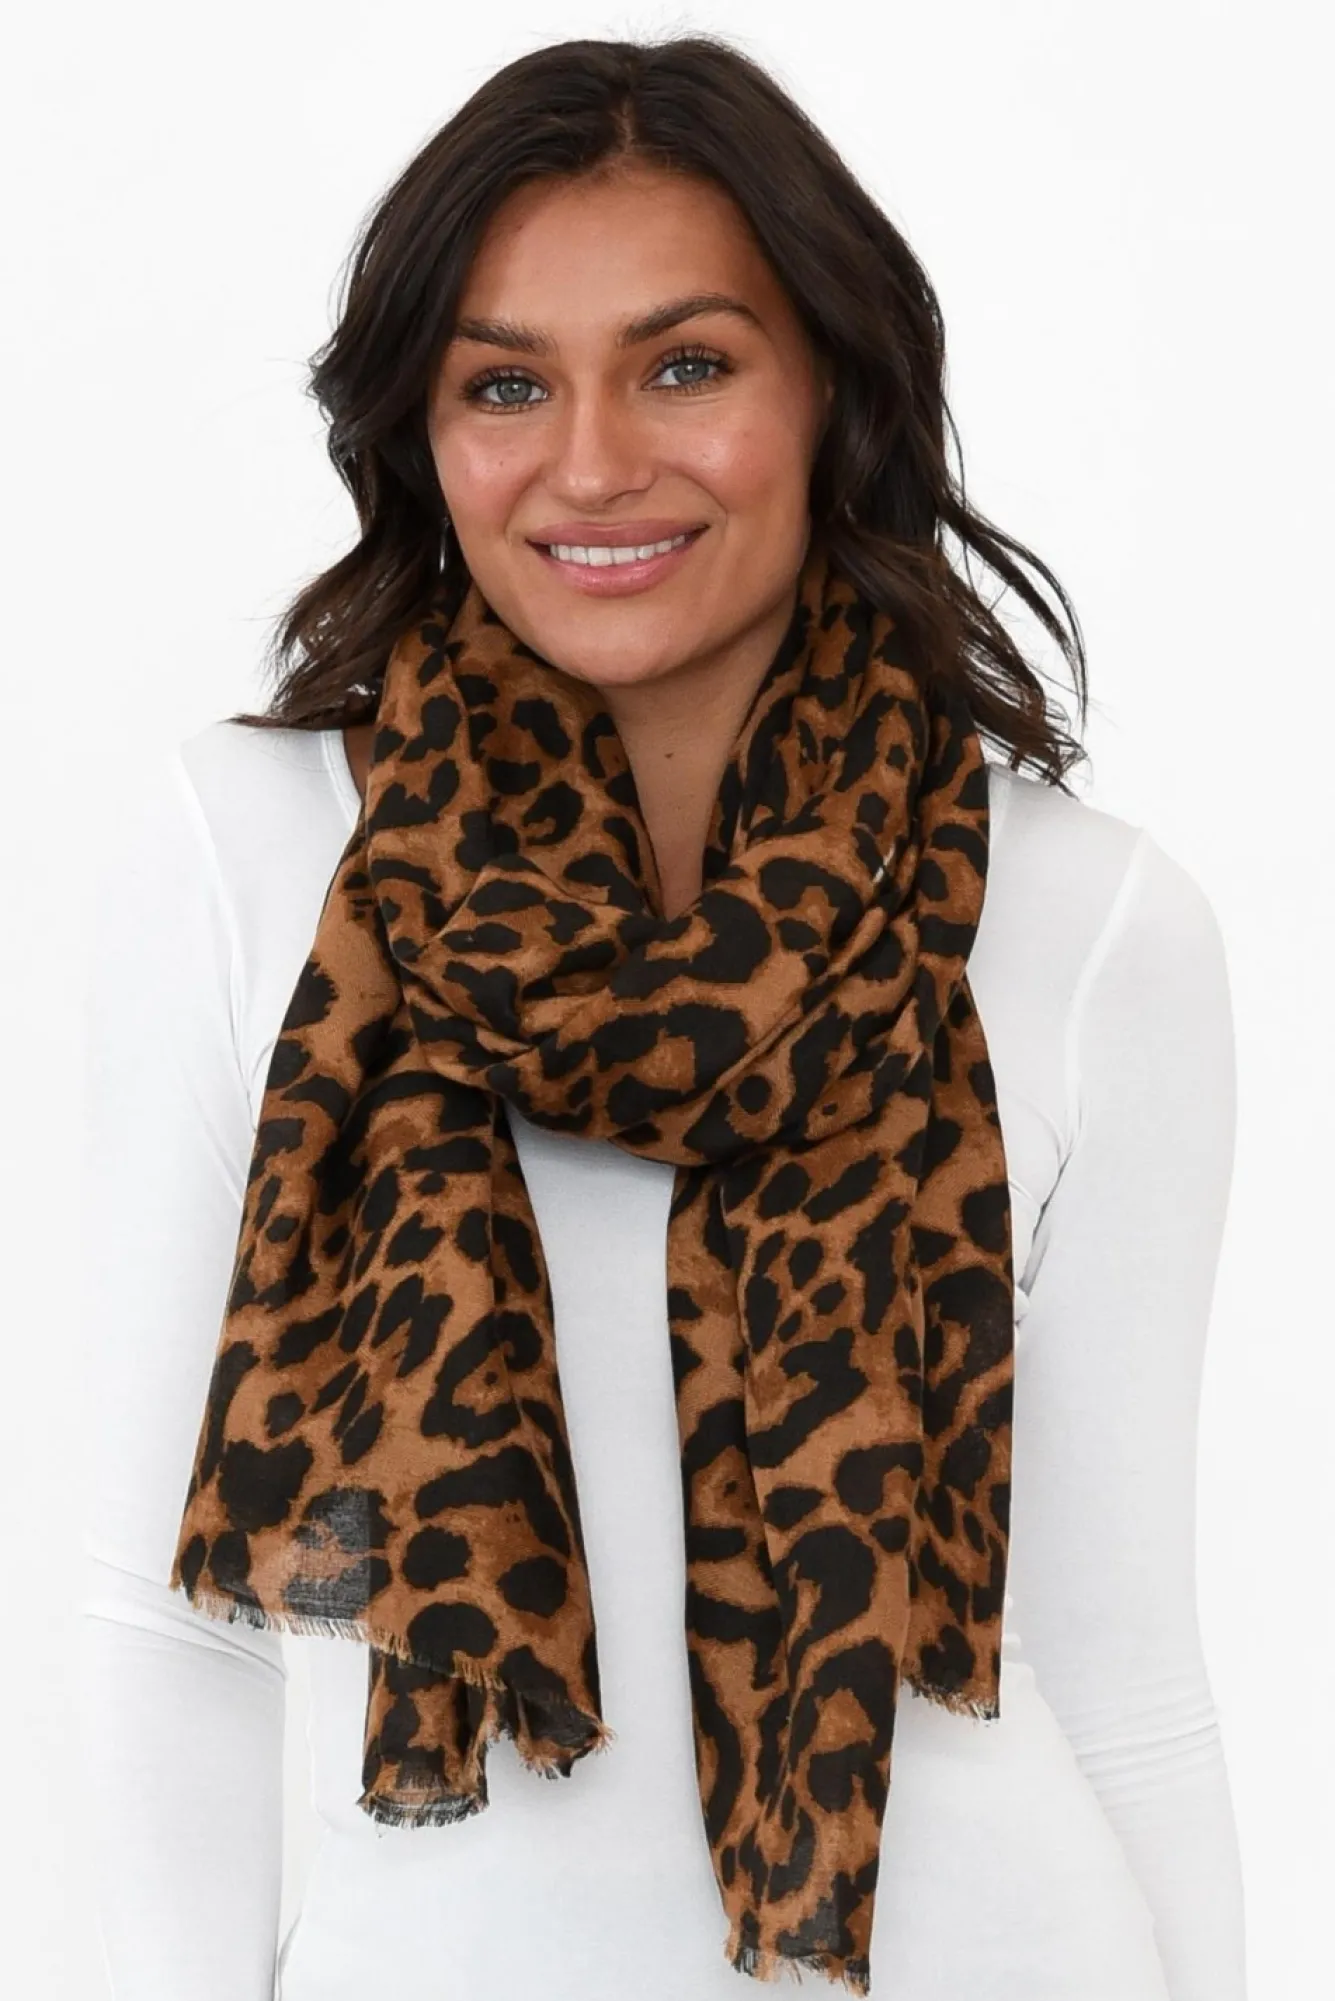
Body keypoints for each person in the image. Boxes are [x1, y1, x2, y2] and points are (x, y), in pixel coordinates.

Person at [74, 32, 1247, 2001]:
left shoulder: (1093, 918)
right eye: (504, 383)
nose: (596, 461)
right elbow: (164, 1626)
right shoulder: (246, 853)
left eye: (685, 365)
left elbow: (1123, 1668)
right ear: (421, 431)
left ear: (833, 390)